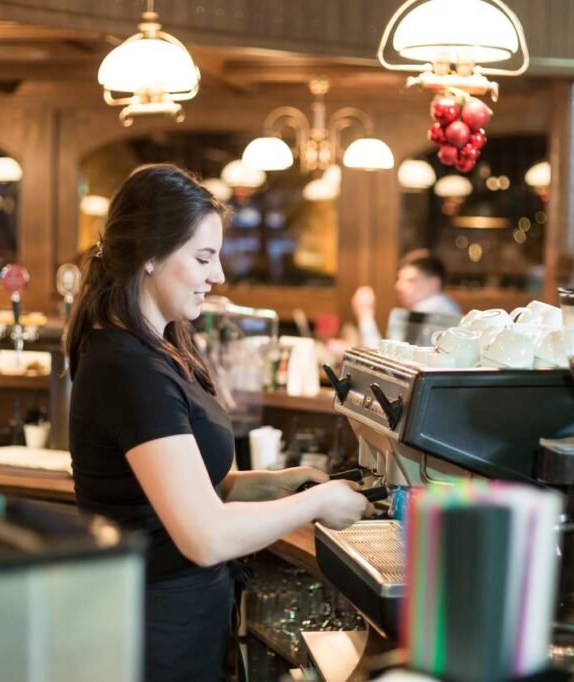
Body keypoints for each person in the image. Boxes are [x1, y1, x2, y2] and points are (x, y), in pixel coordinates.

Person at [65, 164, 369, 682]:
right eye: (204, 257)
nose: (219, 275)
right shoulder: (129, 367)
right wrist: (316, 503)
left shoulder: (155, 349)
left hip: (177, 616)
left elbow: (201, 488)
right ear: (150, 256)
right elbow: (203, 535)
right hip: (152, 627)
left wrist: (279, 484)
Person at [352, 248, 462, 348]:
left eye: (411, 280)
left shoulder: (430, 312)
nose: (399, 286)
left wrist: (365, 316)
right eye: (399, 279)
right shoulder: (447, 306)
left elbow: (388, 364)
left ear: (434, 284)